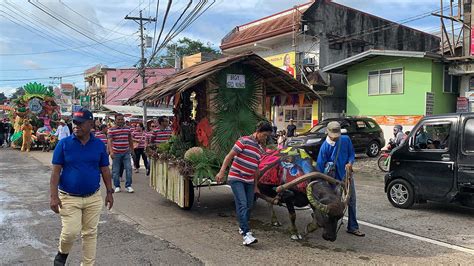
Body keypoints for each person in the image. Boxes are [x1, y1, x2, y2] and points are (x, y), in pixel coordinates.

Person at [50, 108, 114, 266]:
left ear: (91, 124)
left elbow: (105, 170)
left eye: (80, 123)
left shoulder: (99, 145)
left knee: (90, 234)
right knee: (70, 232)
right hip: (68, 198)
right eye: (74, 123)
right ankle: (62, 253)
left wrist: (110, 192)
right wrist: (53, 196)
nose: (76, 126)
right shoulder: (64, 144)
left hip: (93, 198)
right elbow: (56, 172)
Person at [215, 121, 273, 246]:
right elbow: (229, 156)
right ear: (258, 132)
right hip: (236, 177)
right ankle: (246, 234)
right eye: (264, 135)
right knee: (243, 203)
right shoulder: (244, 141)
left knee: (249, 205)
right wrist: (221, 172)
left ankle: (242, 226)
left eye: (267, 136)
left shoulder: (260, 148)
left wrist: (256, 186)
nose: (265, 138)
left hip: (249, 180)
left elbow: (256, 169)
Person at [316, 121, 365, 237]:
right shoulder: (325, 147)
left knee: (351, 201)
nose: (334, 139)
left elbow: (351, 154)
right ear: (327, 133)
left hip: (347, 176)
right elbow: (319, 166)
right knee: (335, 204)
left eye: (336, 137)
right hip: (333, 180)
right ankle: (330, 226)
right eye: (333, 137)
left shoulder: (346, 139)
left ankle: (353, 227)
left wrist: (350, 163)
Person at [108, 113, 135, 193]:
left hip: (126, 152)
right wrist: (111, 152)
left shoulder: (128, 129)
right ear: (115, 120)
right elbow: (109, 141)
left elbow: (130, 140)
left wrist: (132, 150)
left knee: (129, 169)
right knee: (115, 171)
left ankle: (128, 186)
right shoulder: (111, 130)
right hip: (116, 153)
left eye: (122, 119)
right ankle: (117, 186)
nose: (120, 121)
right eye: (119, 119)